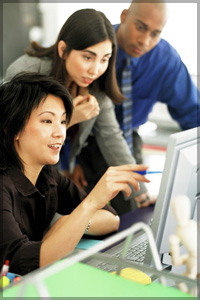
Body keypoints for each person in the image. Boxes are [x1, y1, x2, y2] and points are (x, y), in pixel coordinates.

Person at [5, 8, 154, 215]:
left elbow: (112, 138)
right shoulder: (27, 73)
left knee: (107, 219)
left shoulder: (96, 88)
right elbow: (12, 132)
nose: (95, 70)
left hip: (53, 175)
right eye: (88, 57)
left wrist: (142, 194)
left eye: (104, 59)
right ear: (63, 50)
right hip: (15, 177)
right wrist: (71, 118)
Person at [0, 72, 150, 276]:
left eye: (62, 122)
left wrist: (69, 222)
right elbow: (23, 261)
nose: (60, 132)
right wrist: (89, 205)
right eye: (47, 121)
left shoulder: (47, 175)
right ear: (12, 129)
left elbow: (111, 219)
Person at [74, 1, 200, 199]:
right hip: (80, 142)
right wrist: (69, 161)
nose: (145, 41)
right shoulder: (96, 47)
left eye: (155, 34)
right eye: (140, 27)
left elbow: (193, 114)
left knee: (137, 210)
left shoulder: (165, 61)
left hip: (128, 139)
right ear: (124, 16)